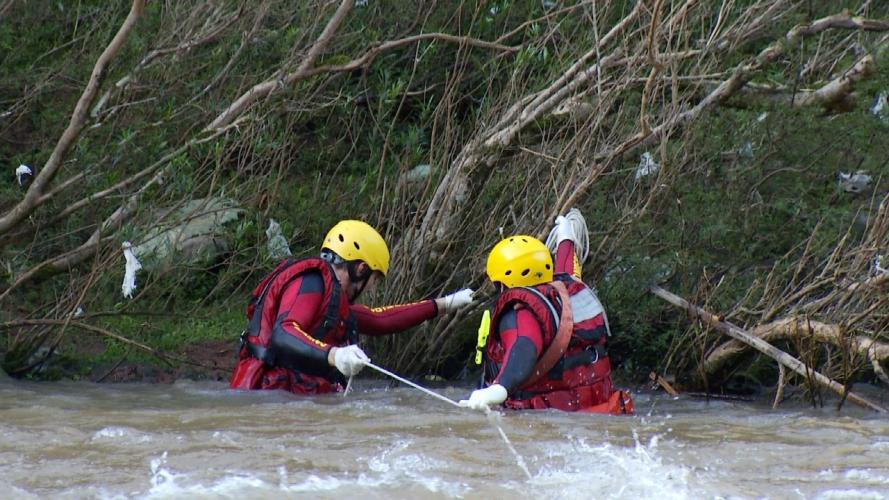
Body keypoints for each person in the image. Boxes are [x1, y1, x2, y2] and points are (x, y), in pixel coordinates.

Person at [230, 219, 475, 394]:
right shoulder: (312, 281)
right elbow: (284, 332)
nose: (370, 288)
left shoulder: (329, 300)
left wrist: (445, 304)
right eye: (374, 279)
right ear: (360, 269)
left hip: (279, 396)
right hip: (264, 394)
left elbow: (379, 320)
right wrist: (334, 355)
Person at [459, 210, 633, 414]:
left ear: (506, 281)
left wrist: (499, 389)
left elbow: (524, 345)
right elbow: (568, 268)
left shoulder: (519, 312)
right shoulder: (568, 291)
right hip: (600, 411)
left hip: (546, 418)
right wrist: (566, 238)